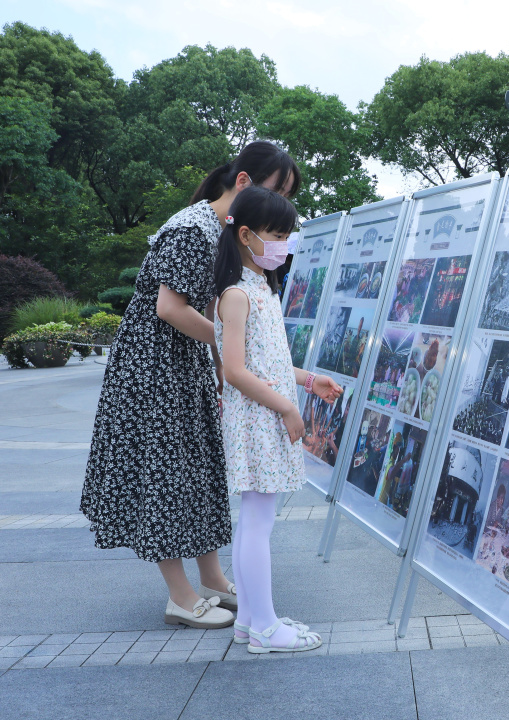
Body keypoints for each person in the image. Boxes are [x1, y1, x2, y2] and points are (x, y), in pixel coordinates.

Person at [82, 141, 300, 629]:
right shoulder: (190, 228)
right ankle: (180, 596)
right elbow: (169, 308)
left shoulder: (220, 230)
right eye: (278, 190)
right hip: (154, 368)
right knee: (167, 474)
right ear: (243, 183)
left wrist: (230, 349)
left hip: (188, 361)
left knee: (200, 469)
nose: (282, 203)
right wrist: (231, 343)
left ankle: (213, 579)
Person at [214, 186, 342, 652]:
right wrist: (287, 406)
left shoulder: (260, 290)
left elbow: (265, 360)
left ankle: (251, 621)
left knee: (255, 520)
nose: (284, 245)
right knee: (257, 522)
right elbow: (233, 370)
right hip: (258, 420)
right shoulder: (236, 294)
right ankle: (265, 627)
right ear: (246, 235)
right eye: (277, 235)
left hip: (263, 416)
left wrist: (307, 381)